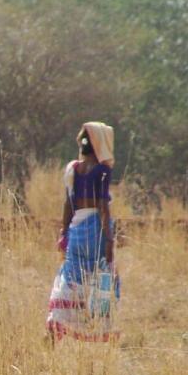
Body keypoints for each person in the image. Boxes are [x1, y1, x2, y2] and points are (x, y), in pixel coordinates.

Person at [46, 122, 120, 341]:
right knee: (101, 277)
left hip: (76, 229)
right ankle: (97, 328)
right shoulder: (102, 170)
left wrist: (64, 232)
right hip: (94, 230)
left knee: (72, 277)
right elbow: (103, 206)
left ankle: (57, 323)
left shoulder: (73, 169)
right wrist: (108, 239)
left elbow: (68, 204)